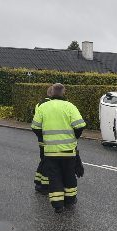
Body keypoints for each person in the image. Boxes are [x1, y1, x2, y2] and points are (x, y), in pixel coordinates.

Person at [31, 83, 87, 213]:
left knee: (54, 177)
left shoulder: (43, 107)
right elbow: (80, 125)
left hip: (50, 151)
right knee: (69, 175)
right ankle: (70, 200)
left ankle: (58, 205)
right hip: (68, 150)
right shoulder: (70, 106)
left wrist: (45, 138)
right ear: (63, 92)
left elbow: (35, 127)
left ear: (51, 92)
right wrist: (74, 137)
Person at [34, 85, 54, 194]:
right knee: (47, 161)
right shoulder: (51, 105)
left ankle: (38, 180)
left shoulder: (39, 104)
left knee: (43, 159)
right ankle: (44, 185)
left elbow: (37, 123)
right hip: (50, 139)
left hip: (42, 137)